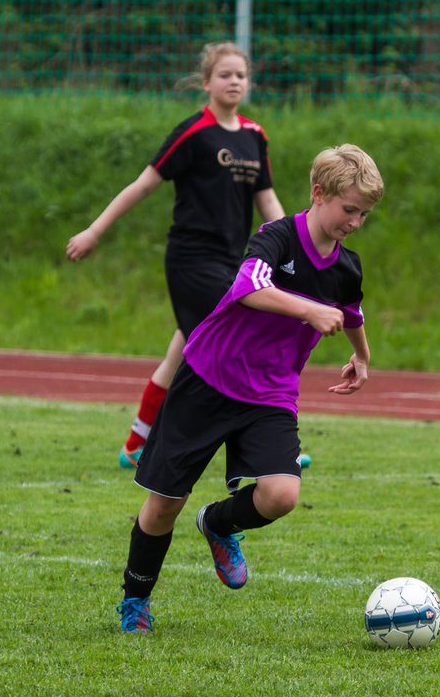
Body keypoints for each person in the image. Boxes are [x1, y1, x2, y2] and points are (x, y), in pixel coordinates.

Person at [113, 144, 385, 633]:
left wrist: (361, 357)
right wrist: (308, 309)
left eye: (364, 214)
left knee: (281, 494)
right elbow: (249, 287)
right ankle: (135, 602)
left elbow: (352, 311)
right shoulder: (277, 237)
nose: (355, 222)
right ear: (318, 194)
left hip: (270, 394)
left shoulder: (348, 265)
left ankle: (219, 522)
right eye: (350, 210)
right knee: (164, 504)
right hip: (209, 378)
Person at [66, 41, 286, 470]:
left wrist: (289, 246)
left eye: (240, 75)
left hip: (232, 261)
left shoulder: (255, 137)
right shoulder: (193, 132)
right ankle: (264, 446)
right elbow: (143, 185)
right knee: (241, 333)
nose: (234, 81)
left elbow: (267, 200)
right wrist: (94, 230)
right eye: (225, 75)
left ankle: (137, 442)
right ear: (206, 82)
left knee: (183, 350)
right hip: (192, 261)